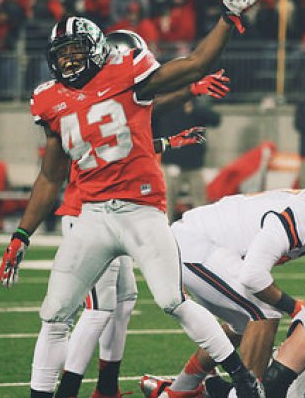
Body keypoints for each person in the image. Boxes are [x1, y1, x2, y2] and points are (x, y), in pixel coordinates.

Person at [0, 0, 267, 398]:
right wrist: (21, 234)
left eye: (75, 52)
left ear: (97, 50)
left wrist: (227, 17)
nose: (67, 61)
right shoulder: (50, 100)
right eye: (61, 54)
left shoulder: (127, 73)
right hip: (92, 215)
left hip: (141, 210)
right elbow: (51, 176)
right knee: (54, 314)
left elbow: (195, 63)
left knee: (170, 300)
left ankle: (241, 375)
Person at [54, 31, 232, 398]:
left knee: (123, 302)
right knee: (98, 310)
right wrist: (192, 88)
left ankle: (105, 387)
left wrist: (185, 104)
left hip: (108, 211)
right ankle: (66, 390)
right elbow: (130, 120)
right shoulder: (94, 93)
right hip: (87, 211)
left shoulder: (106, 95)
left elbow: (129, 127)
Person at [141, 171, 305, 398]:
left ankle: (181, 389)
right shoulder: (303, 219)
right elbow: (253, 276)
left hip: (201, 243)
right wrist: (293, 306)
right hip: (194, 244)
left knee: (241, 323)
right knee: (263, 314)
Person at [154, 94, 222, 221]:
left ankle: (202, 229)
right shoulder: (166, 106)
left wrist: (195, 110)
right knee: (167, 203)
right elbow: (153, 126)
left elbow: (216, 119)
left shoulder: (198, 103)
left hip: (193, 164)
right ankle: (167, 231)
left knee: (199, 202)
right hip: (171, 162)